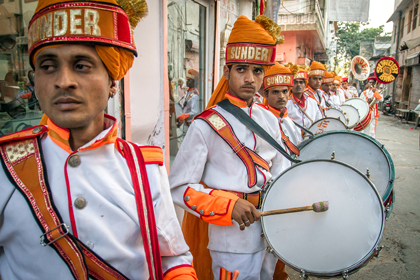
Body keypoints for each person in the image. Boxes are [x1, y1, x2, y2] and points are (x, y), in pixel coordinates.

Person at [0, 0, 197, 279]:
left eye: (81, 65)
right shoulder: (6, 166)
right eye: (48, 66)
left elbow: (173, 258)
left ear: (113, 82)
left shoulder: (144, 167)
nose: (63, 81)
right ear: (34, 81)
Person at [170, 15, 290, 280]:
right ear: (227, 72)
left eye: (257, 71)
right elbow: (179, 188)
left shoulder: (269, 119)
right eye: (241, 69)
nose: (250, 78)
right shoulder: (205, 125)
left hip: (270, 226)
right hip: (231, 238)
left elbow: (282, 169)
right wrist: (227, 206)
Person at [263, 62, 302, 163]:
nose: (281, 96)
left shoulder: (291, 123)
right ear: (266, 95)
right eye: (275, 92)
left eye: (285, 91)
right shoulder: (262, 121)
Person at [286, 64, 322, 130]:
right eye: (295, 82)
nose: (298, 85)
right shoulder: (286, 103)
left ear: (305, 84)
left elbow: (319, 123)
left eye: (301, 82)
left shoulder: (312, 102)